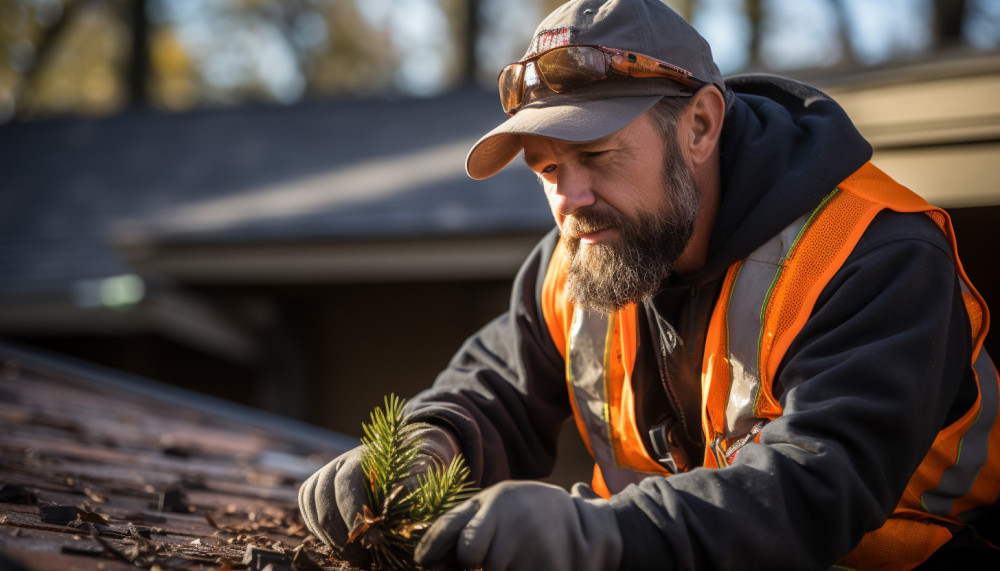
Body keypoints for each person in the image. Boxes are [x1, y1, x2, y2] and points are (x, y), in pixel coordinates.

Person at [298, 0, 1000, 568]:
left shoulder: (877, 255)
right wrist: (425, 445)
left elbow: (818, 484)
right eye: (547, 171)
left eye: (596, 155)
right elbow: (495, 387)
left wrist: (601, 536)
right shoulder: (582, 255)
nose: (569, 201)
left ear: (700, 125)